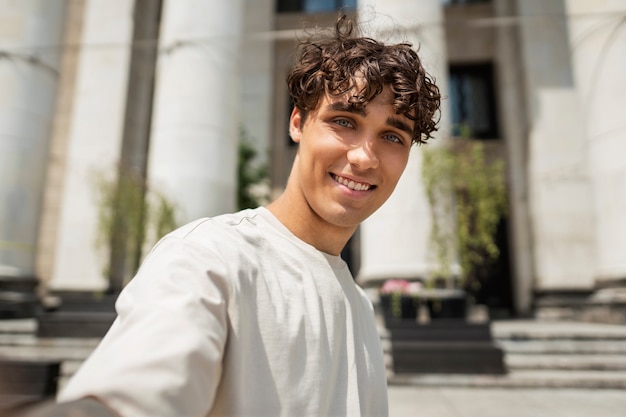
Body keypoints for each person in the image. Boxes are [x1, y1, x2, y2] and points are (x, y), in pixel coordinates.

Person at [8, 13, 440, 417]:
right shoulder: (209, 257)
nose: (365, 157)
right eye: (344, 121)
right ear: (297, 123)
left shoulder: (360, 304)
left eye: (391, 135)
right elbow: (134, 393)